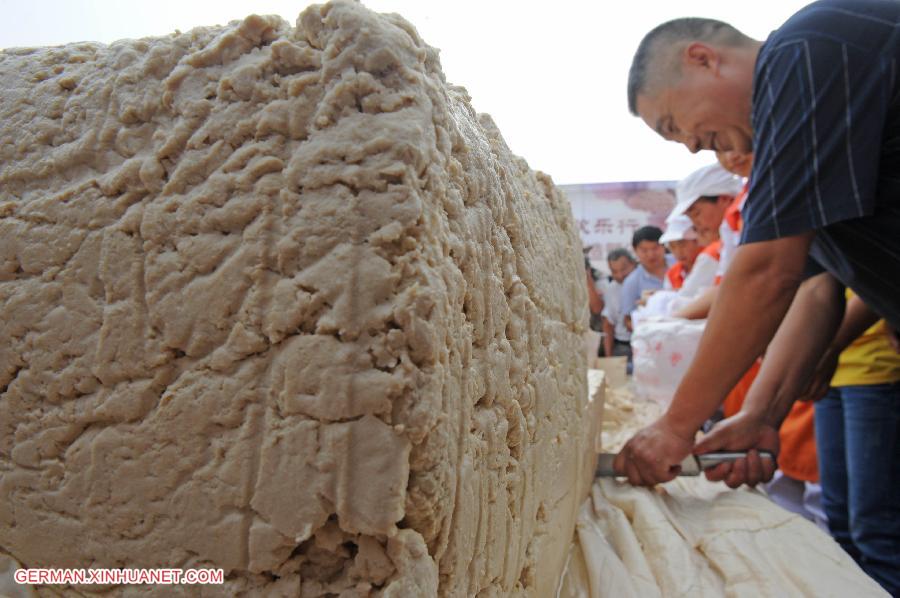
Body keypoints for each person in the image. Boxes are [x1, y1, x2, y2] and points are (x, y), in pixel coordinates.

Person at [618, 5, 900, 593]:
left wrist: (676, 427)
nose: (692, 146)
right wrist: (762, 416)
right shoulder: (802, 136)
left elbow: (767, 271)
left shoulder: (805, 52)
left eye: (674, 124)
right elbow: (817, 285)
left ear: (702, 58)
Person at [803, 290, 900, 587]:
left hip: (874, 371)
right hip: (829, 372)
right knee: (838, 515)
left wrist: (826, 346)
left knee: (874, 525)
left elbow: (869, 282)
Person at [619, 226, 674, 331]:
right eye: (644, 250)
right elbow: (627, 320)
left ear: (664, 246)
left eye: (655, 248)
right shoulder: (631, 282)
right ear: (635, 250)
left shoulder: (680, 263)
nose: (651, 255)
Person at [601, 248, 637, 359]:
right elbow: (608, 324)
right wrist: (608, 357)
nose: (620, 275)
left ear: (633, 264)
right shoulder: (611, 288)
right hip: (623, 346)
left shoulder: (644, 280)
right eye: (614, 271)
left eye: (624, 269)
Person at [659, 215, 706, 292]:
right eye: (672, 246)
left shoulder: (711, 259)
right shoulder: (672, 274)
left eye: (682, 244)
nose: (678, 252)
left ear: (697, 241)